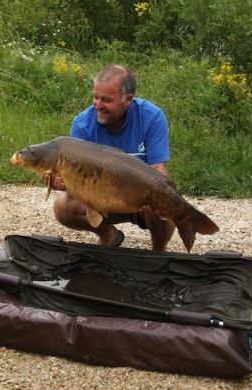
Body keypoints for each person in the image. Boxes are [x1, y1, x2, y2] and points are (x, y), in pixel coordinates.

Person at [51, 64, 175, 250]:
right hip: (101, 200)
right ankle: (108, 235)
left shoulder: (152, 116)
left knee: (166, 200)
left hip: (140, 200)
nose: (98, 105)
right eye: (95, 97)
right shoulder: (82, 124)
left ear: (128, 99)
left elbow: (159, 168)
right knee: (63, 207)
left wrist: (160, 197)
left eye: (106, 100)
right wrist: (62, 182)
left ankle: (158, 251)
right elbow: (76, 178)